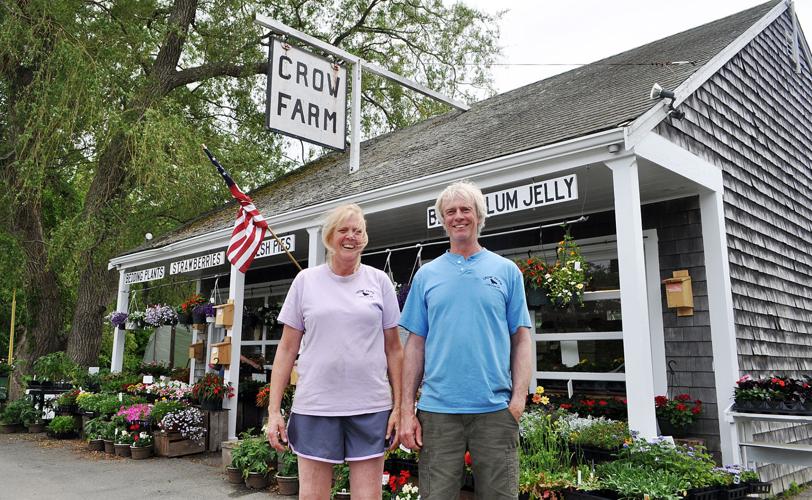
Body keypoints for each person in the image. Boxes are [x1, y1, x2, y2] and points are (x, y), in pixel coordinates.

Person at [398, 180, 532, 500]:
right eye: (450, 212)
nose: (458, 216)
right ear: (443, 220)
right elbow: (414, 345)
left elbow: (522, 340)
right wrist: (406, 410)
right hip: (437, 412)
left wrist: (518, 400)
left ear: (479, 216)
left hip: (495, 411)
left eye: (465, 209)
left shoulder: (507, 271)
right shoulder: (426, 276)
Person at [266, 203, 403, 500]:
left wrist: (399, 407)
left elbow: (394, 349)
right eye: (343, 230)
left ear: (365, 237)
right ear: (329, 237)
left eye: (357, 231)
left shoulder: (379, 281)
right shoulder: (305, 281)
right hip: (316, 406)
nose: (351, 237)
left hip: (370, 406)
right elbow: (287, 349)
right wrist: (274, 411)